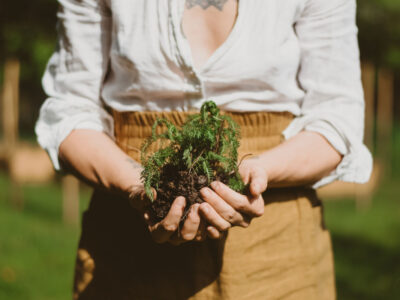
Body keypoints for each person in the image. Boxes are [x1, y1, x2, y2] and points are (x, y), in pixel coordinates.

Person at [36, 0, 372, 299]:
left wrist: (258, 172)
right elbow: (70, 112)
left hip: (275, 251)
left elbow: (336, 119)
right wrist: (139, 184)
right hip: (128, 244)